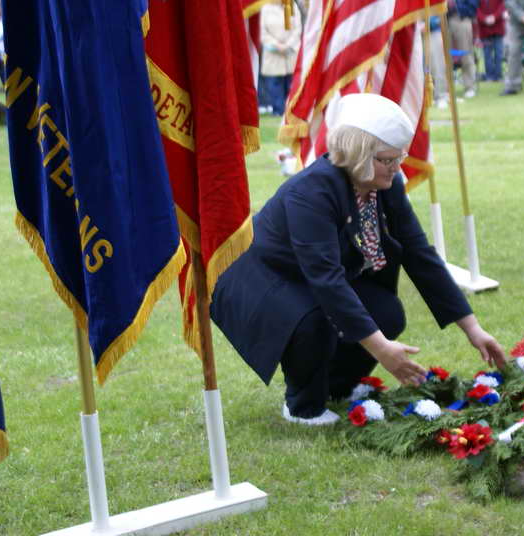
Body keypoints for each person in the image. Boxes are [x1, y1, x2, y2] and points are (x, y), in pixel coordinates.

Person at [210, 93, 506, 425]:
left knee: (386, 313)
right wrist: (381, 350)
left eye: (399, 158)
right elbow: (327, 280)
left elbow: (419, 253)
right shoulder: (311, 192)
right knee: (313, 319)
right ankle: (302, 406)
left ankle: (335, 388)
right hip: (266, 282)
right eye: (387, 159)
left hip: (313, 278)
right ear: (358, 153)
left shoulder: (386, 184)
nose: (397, 169)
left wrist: (472, 328)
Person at [260, 0, 301, 117]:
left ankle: (290, 112)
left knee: (291, 84)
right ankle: (278, 111)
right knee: (274, 85)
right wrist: (276, 45)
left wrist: (288, 44)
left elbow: (297, 29)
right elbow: (263, 32)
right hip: (273, 54)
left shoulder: (292, 6)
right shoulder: (265, 8)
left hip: (290, 53)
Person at [447, 0, 479, 98]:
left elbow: (473, 6)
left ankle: (470, 87)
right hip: (443, 21)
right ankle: (445, 90)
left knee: (465, 55)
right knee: (444, 57)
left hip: (462, 19)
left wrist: (455, 6)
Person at [477, 0, 507, 82]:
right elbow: (476, 9)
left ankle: (498, 75)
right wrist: (484, 19)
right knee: (487, 54)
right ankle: (489, 76)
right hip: (484, 29)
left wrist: (494, 16)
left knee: (499, 53)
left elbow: (502, 6)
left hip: (498, 28)